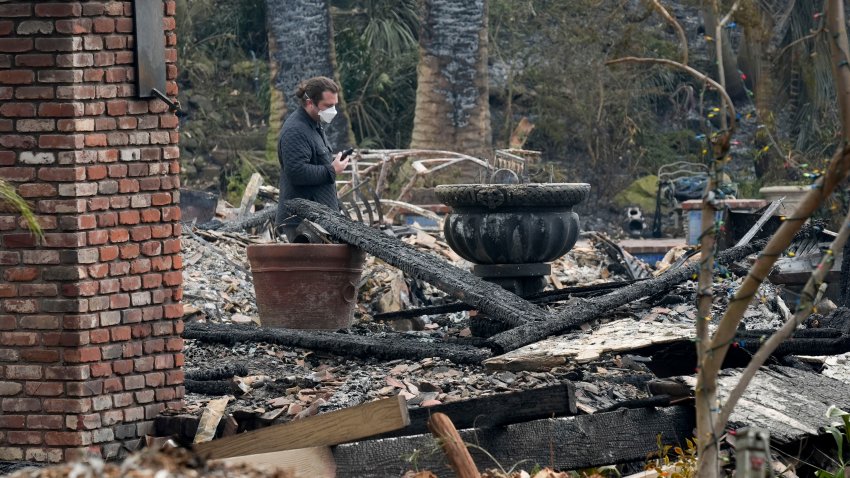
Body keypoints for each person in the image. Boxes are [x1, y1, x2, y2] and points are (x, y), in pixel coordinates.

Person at [275, 76, 350, 240]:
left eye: (335, 105)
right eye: (328, 106)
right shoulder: (296, 130)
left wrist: (331, 165)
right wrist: (332, 170)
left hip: (317, 221)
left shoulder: (314, 124)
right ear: (310, 103)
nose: (333, 110)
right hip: (301, 225)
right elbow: (296, 172)